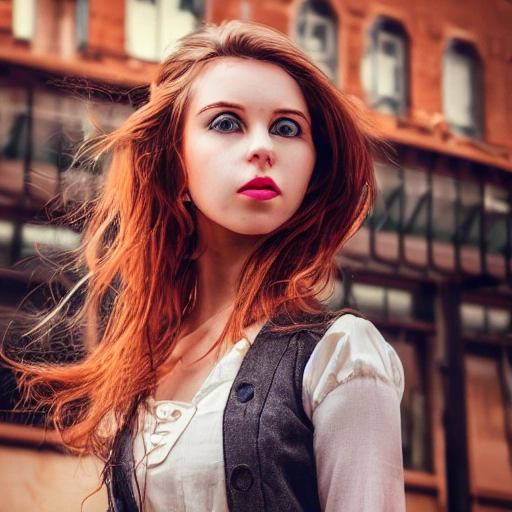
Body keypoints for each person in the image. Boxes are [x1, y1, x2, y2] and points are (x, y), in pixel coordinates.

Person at [5, 20, 406, 512]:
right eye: (226, 122)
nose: (263, 147)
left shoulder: (342, 357)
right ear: (176, 163)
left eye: (286, 128)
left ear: (313, 168)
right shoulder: (149, 361)